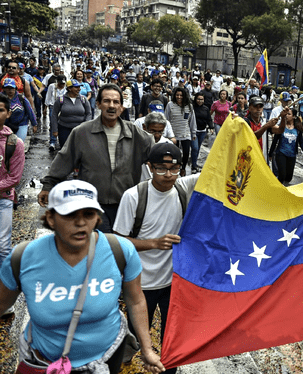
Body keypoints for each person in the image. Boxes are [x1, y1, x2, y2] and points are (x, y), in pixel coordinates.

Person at [0, 180, 165, 373]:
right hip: (44, 362)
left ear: (96, 218)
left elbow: (135, 300)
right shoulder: (24, 257)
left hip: (107, 358)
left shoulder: (120, 250)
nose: (80, 223)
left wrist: (146, 349)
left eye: (88, 214)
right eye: (69, 214)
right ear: (51, 219)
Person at [113, 144, 199, 374]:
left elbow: (220, 166)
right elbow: (118, 242)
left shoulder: (183, 187)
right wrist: (153, 243)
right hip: (141, 285)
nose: (168, 175)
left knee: (172, 338)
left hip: (174, 282)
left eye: (174, 168)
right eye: (161, 169)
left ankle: (169, 367)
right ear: (149, 167)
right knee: (135, 335)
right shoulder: (134, 196)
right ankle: (126, 359)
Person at [38, 84, 155, 233]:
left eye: (116, 102)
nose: (111, 106)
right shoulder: (82, 133)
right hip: (92, 204)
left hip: (126, 205)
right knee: (98, 248)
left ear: (121, 106)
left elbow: (159, 156)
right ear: (98, 104)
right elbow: (64, 160)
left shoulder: (136, 134)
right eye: (106, 101)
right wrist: (48, 185)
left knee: (122, 249)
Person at [0, 93, 23, 311]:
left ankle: (5, 297)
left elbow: (14, 178)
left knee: (3, 247)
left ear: (8, 114)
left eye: (1, 110)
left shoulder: (14, 143)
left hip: (3, 201)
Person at [268, 108, 303, 185]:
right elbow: (275, 141)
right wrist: (270, 154)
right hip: (281, 153)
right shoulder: (281, 127)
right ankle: (278, 189)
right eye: (286, 114)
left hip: (292, 155)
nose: (286, 115)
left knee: (288, 177)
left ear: (294, 117)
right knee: (282, 176)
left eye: (289, 114)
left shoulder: (298, 129)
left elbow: (301, 142)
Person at [51, 79, 92, 148]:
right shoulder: (61, 99)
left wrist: (86, 126)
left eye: (79, 87)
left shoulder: (83, 99)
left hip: (79, 129)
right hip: (64, 129)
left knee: (79, 149)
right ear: (69, 88)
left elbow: (89, 113)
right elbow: (54, 114)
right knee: (65, 149)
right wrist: (55, 129)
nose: (79, 89)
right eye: (76, 87)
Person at [165, 87, 196, 176]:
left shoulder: (189, 106)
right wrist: (166, 133)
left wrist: (193, 132)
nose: (179, 97)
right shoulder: (170, 105)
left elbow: (192, 120)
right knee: (174, 153)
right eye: (177, 95)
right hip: (173, 134)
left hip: (185, 133)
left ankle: (183, 168)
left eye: (181, 95)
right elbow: (166, 119)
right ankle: (175, 168)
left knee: (186, 153)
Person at [3, 78, 37, 142]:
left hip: (21, 123)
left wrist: (34, 124)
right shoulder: (1, 98)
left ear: (15, 88)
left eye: (12, 88)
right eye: (7, 88)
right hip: (5, 125)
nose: (10, 90)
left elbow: (30, 111)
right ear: (4, 88)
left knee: (19, 142)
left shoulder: (21, 98)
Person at [192, 92, 213, 172]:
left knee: (197, 148)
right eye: (198, 99)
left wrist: (211, 127)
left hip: (202, 131)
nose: (200, 101)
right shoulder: (192, 108)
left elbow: (209, 118)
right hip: (194, 131)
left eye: (201, 99)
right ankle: (194, 166)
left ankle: (195, 163)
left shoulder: (206, 108)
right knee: (195, 148)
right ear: (195, 99)